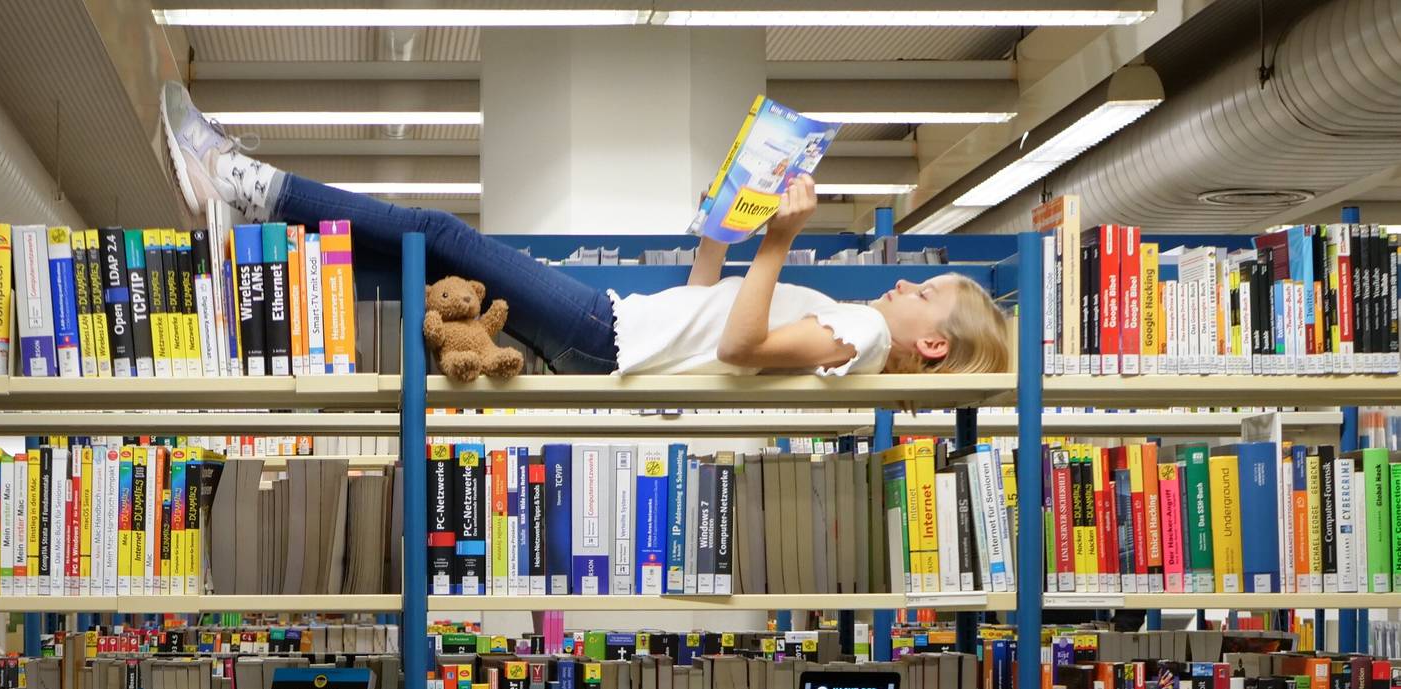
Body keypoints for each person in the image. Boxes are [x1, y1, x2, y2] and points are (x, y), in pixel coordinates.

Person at [160, 83, 1011, 379]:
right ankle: (251, 266)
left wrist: (780, 242)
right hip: (614, 333)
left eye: (924, 292)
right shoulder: (852, 334)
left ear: (932, 344)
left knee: (436, 231)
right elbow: (706, 317)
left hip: (602, 331)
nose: (904, 283)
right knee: (415, 278)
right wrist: (725, 229)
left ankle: (240, 178)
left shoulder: (858, 332)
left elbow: (739, 350)